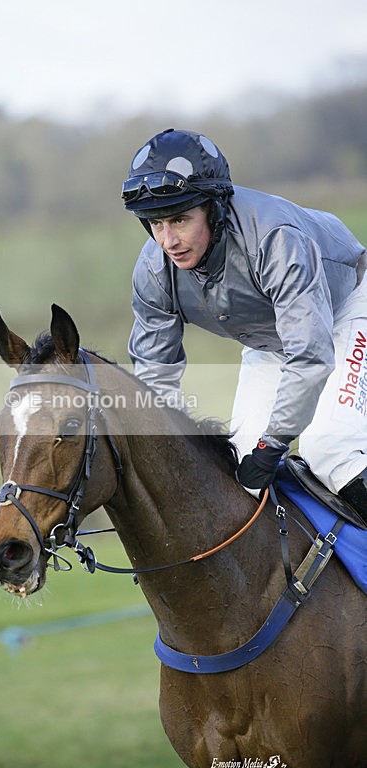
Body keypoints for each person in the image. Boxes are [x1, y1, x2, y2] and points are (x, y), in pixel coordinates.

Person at [122, 128, 367, 523]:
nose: (168, 240)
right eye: (155, 223)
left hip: (347, 306)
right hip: (274, 337)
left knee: (331, 449)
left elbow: (310, 355)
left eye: (180, 219)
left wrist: (274, 443)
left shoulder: (275, 239)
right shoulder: (154, 270)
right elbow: (156, 381)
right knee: (240, 473)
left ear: (215, 207)